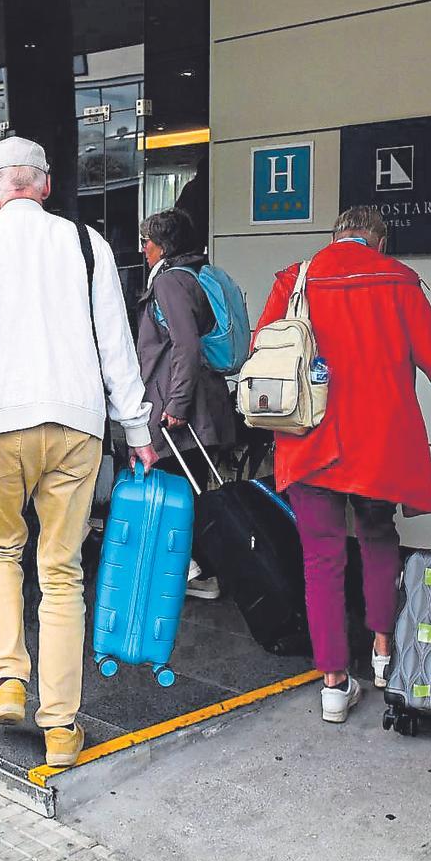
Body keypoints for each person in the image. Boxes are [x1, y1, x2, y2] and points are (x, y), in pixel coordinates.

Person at [0, 136, 156, 767]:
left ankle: (9, 680)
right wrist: (137, 431)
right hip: (78, 424)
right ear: (44, 185)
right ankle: (62, 727)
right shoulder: (87, 243)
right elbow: (116, 346)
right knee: (62, 571)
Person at [255, 207, 431, 724]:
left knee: (321, 559)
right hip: (379, 444)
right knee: (378, 539)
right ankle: (384, 655)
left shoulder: (296, 280)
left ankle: (333, 686)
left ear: (335, 237)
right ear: (380, 242)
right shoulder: (398, 281)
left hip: (308, 440)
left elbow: (263, 351)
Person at [137, 208, 235, 600]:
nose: (143, 250)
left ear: (161, 246)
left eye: (146, 242)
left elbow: (185, 345)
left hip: (181, 411)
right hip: (200, 406)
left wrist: (176, 405)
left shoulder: (169, 282)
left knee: (174, 491)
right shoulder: (193, 275)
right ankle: (196, 567)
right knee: (188, 489)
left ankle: (193, 572)